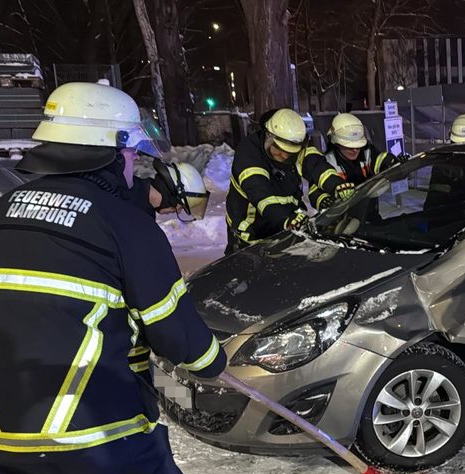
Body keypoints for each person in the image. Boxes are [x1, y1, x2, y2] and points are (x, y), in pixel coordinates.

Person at [0, 82, 225, 474]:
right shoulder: (125, 227)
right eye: (129, 156)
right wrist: (213, 362)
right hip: (96, 429)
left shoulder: (4, 212)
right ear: (113, 152)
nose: (132, 167)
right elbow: (178, 337)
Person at [128, 160, 210, 382]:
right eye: (179, 205)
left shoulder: (135, 197)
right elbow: (153, 292)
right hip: (119, 325)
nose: (176, 210)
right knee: (135, 375)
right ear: (172, 193)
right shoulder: (133, 212)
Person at [225, 108, 349, 253]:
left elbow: (315, 165)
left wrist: (336, 184)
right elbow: (261, 194)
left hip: (285, 229)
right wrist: (285, 219)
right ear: (268, 137)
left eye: (290, 153)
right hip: (251, 236)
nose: (284, 156)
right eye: (278, 150)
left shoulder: (296, 143)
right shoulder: (249, 154)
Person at [324, 113, 401, 185]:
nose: (355, 150)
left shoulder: (367, 152)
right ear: (337, 144)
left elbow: (380, 159)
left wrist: (392, 163)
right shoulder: (328, 163)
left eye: (358, 146)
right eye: (350, 147)